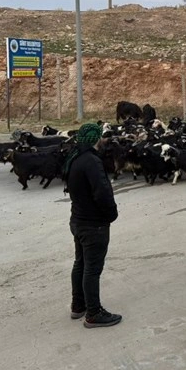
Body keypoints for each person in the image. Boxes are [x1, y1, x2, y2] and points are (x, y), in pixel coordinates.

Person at [63, 123, 122, 328]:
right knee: (92, 269)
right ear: (97, 139)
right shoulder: (92, 161)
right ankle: (93, 313)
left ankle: (78, 305)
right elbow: (102, 192)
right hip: (93, 224)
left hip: (77, 220)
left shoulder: (75, 157)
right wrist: (111, 214)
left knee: (80, 263)